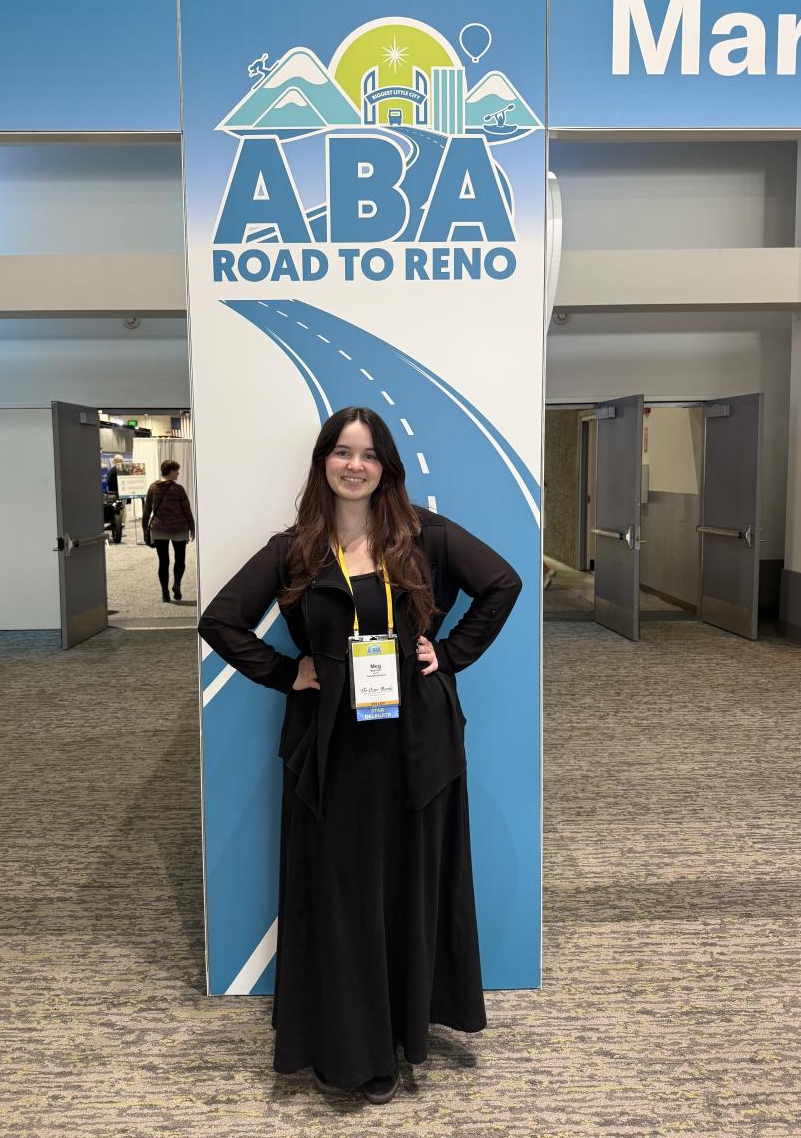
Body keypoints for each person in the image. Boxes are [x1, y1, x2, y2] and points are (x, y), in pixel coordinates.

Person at [198, 406, 522, 1103]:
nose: (355, 465)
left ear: (387, 468)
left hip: (416, 749)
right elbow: (218, 620)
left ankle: (407, 1033)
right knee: (345, 898)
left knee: (406, 885)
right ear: (322, 463)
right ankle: (355, 1051)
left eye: (369, 454)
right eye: (342, 452)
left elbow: (504, 584)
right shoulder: (296, 549)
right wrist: (288, 674)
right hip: (334, 752)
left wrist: (452, 652)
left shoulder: (424, 536)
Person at [142, 460, 195, 602]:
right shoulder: (178, 489)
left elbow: (147, 510)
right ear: (170, 471)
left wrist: (144, 529)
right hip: (179, 528)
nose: (178, 472)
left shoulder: (153, 487)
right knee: (180, 559)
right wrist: (192, 528)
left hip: (159, 529)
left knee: (163, 561)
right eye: (176, 470)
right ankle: (177, 584)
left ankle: (165, 593)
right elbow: (187, 510)